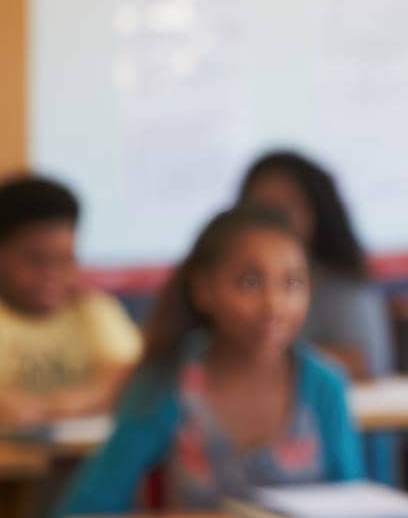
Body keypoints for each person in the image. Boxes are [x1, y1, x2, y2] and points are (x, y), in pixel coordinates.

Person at [54, 205, 363, 514]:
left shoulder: (324, 385)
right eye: (250, 282)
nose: (274, 305)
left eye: (292, 283)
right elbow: (87, 507)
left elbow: (355, 504)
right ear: (203, 290)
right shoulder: (168, 380)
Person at [0, 173, 141, 428]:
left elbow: (128, 382)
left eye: (65, 260)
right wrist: (88, 401)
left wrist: (46, 408)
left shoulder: (94, 310)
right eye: (35, 260)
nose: (52, 276)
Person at [238, 150, 393, 381]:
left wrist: (263, 358)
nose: (271, 221)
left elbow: (363, 364)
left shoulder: (341, 283)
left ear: (316, 214)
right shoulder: (226, 276)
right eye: (259, 208)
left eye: (285, 207)